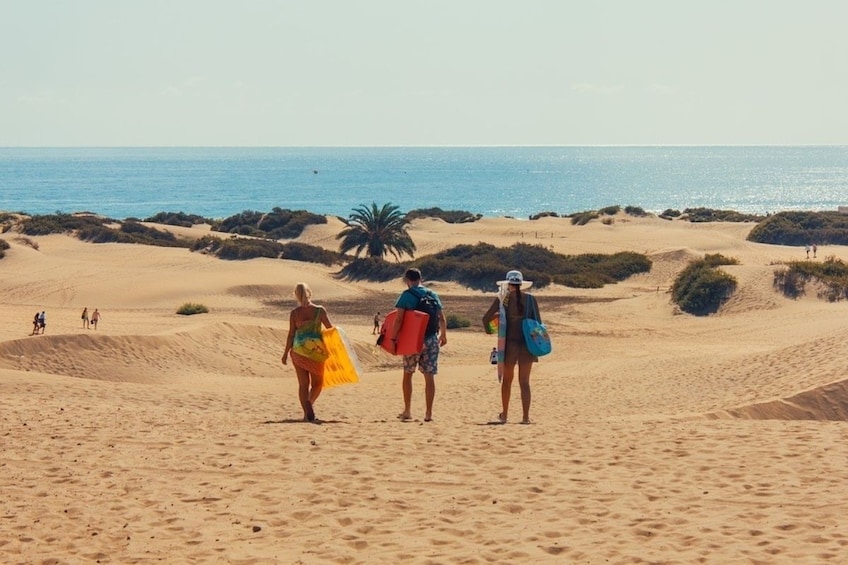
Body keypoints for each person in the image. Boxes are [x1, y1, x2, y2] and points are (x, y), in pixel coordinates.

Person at [482, 270, 541, 424]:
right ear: (521, 284)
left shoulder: (503, 300)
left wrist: (491, 329)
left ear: (508, 284)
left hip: (509, 346)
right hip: (527, 346)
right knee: (525, 382)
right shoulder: (531, 300)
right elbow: (538, 323)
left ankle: (505, 415)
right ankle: (526, 417)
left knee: (507, 381)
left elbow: (485, 318)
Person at [390, 268, 447, 422]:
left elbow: (399, 319)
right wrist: (444, 335)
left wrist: (393, 338)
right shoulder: (432, 294)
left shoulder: (406, 296)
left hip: (412, 341)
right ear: (421, 278)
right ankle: (428, 414)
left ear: (407, 280)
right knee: (429, 377)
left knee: (408, 374)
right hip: (431, 339)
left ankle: (407, 410)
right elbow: (441, 318)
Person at [281, 282, 333, 422]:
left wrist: (285, 353)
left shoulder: (294, 314)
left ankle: (306, 414)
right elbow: (330, 330)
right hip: (316, 352)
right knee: (317, 384)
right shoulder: (320, 311)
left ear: (296, 295)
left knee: (303, 385)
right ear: (310, 293)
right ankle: (310, 401)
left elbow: (291, 335)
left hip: (298, 352)